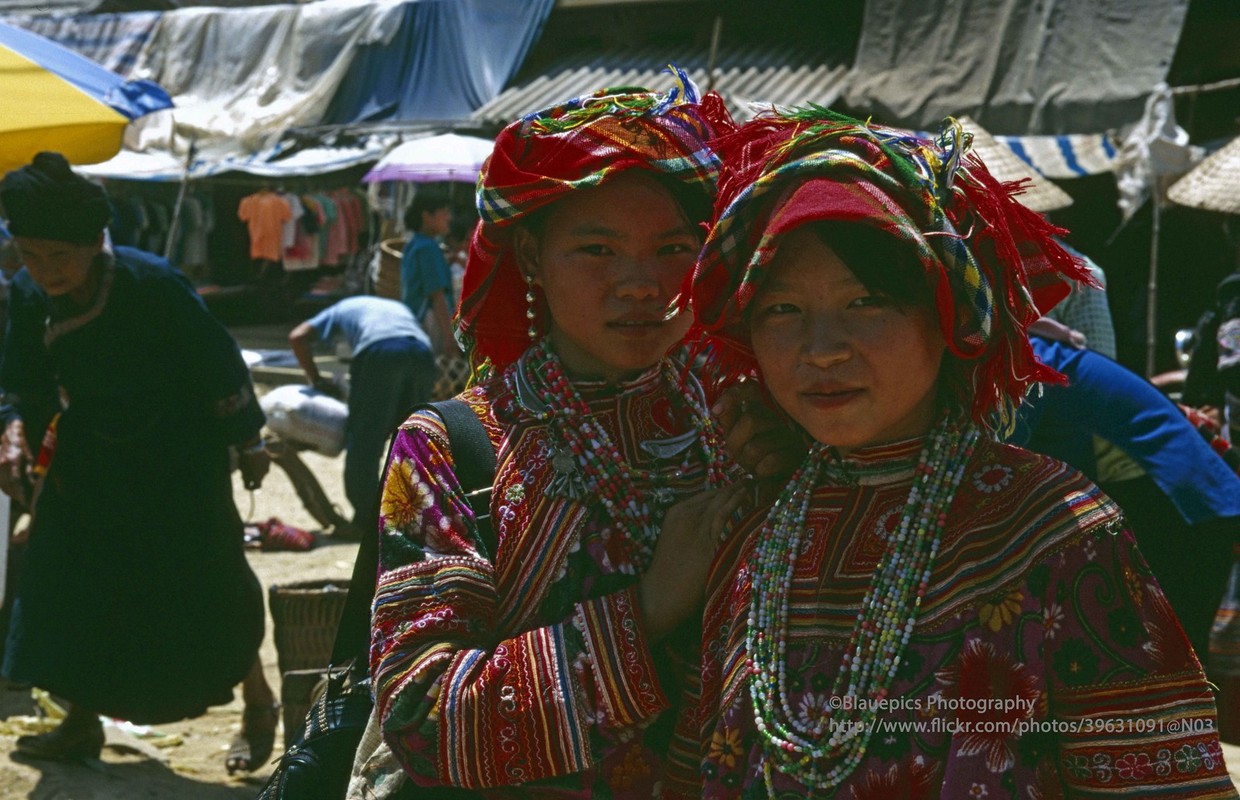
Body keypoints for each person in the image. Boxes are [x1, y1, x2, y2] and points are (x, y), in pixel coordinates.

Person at [682, 111, 1236, 797]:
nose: (821, 349)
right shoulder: (758, 539)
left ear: (946, 316)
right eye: (783, 311)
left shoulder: (1055, 531)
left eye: (866, 301)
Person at [359, 75, 748, 798]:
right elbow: (418, 718)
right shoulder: (450, 449)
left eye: (672, 248)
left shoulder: (750, 422)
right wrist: (650, 607)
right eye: (597, 250)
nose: (640, 284)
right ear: (533, 259)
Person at [0, 152, 277, 766]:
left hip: (179, 458)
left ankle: (259, 702)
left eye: (61, 257)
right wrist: (13, 428)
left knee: (205, 580)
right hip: (91, 456)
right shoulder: (27, 293)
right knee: (75, 583)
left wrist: (249, 440)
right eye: (33, 255)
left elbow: (217, 361)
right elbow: (20, 378)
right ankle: (80, 721)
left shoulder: (152, 284)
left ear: (94, 241)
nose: (47, 272)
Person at [1012, 333, 1240, 659]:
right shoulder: (1032, 351)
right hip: (1176, 499)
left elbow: (1004, 455)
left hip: (1182, 503)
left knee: (1175, 657)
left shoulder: (1029, 360)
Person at [288, 295, 436, 538]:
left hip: (380, 353)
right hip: (422, 353)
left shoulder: (338, 310)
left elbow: (298, 337)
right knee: (414, 438)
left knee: (363, 440)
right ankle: (419, 516)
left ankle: (366, 522)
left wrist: (315, 379)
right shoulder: (391, 306)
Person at [399, 189, 455, 355]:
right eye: (444, 213)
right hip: (430, 323)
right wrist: (449, 337)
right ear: (427, 216)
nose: (448, 218)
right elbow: (437, 296)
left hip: (413, 320)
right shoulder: (429, 248)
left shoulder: (414, 243)